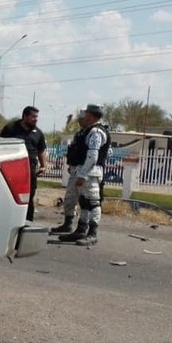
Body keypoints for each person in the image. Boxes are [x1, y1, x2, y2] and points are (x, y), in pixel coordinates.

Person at [57, 104, 110, 246]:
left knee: (93, 202)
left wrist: (83, 174)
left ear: (91, 115)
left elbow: (93, 155)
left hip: (90, 173)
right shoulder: (87, 131)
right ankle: (81, 230)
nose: (84, 115)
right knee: (84, 203)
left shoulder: (96, 132)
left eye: (86, 113)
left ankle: (92, 233)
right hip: (83, 171)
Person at [0, 105, 49, 221]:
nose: (36, 119)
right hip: (12, 168)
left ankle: (27, 221)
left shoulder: (38, 133)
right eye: (33, 117)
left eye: (37, 117)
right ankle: (9, 219)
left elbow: (41, 150)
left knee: (28, 196)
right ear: (25, 117)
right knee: (10, 194)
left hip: (30, 169)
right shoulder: (10, 129)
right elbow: (1, 145)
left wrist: (43, 165)